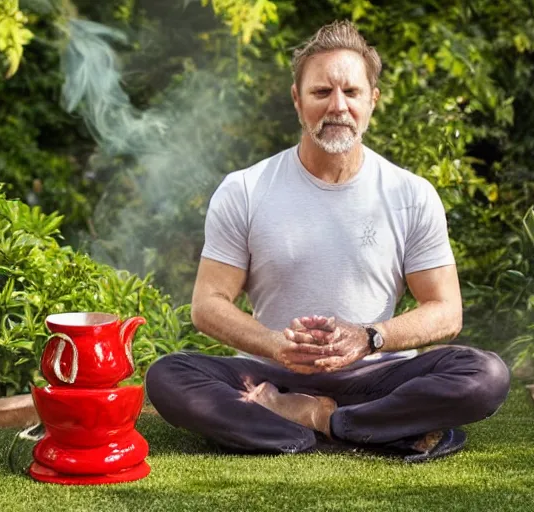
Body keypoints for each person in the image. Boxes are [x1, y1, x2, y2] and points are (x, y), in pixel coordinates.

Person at [145, 20, 510, 461]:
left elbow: (446, 311)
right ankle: (380, 428)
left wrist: (369, 337)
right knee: (169, 374)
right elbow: (208, 304)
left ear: (372, 101)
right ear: (298, 101)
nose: (337, 106)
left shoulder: (410, 194)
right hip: (272, 374)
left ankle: (314, 422)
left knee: (485, 373)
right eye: (321, 93)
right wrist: (276, 344)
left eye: (351, 93)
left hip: (376, 376)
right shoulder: (246, 188)